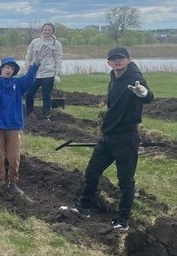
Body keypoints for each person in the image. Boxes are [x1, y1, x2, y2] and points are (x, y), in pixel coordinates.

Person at [60, 47, 154, 231]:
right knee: (92, 172)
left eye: (120, 58)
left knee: (126, 180)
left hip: (127, 137)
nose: (117, 61)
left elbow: (148, 97)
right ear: (109, 62)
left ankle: (123, 221)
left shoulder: (136, 78)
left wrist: (143, 93)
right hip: (108, 136)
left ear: (128, 59)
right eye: (113, 59)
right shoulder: (114, 78)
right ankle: (83, 208)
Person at [0, 43, 49, 194]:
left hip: (13, 125)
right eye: (7, 67)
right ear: (1, 69)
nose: (9, 70)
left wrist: (35, 64)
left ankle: (12, 182)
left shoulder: (18, 84)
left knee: (13, 157)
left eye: (12, 68)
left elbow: (29, 78)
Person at [24, 23, 63, 119]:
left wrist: (57, 74)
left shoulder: (56, 44)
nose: (47, 32)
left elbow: (58, 59)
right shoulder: (35, 42)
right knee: (29, 94)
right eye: (45, 30)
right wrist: (27, 69)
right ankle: (30, 113)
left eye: (49, 30)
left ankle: (46, 115)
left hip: (48, 73)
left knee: (46, 95)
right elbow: (28, 56)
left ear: (52, 31)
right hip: (35, 72)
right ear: (41, 31)